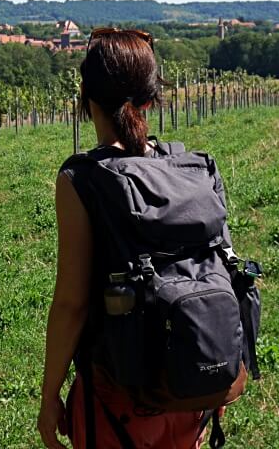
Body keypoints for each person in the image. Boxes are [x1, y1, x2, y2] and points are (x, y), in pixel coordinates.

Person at [38, 29, 214, 449]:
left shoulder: (82, 179)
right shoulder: (192, 169)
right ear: (152, 99)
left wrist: (49, 397)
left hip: (116, 394)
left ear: (86, 98)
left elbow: (72, 304)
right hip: (189, 384)